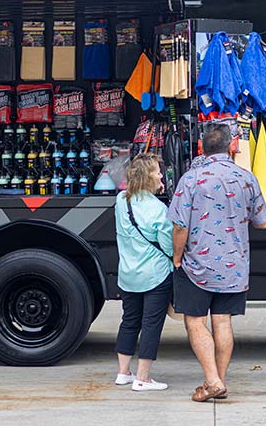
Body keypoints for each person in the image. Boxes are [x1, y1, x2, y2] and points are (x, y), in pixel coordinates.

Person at [168, 124, 266, 402]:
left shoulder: (191, 179)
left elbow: (179, 226)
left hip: (197, 265)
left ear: (201, 148)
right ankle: (219, 381)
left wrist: (177, 257)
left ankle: (212, 381)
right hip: (234, 266)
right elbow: (262, 222)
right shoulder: (247, 178)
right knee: (222, 322)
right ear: (230, 147)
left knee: (195, 322)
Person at [113, 154, 174, 392]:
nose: (161, 175)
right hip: (155, 275)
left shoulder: (120, 201)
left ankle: (123, 373)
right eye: (158, 172)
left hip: (128, 274)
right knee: (151, 324)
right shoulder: (159, 209)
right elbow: (167, 245)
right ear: (148, 177)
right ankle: (143, 378)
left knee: (129, 321)